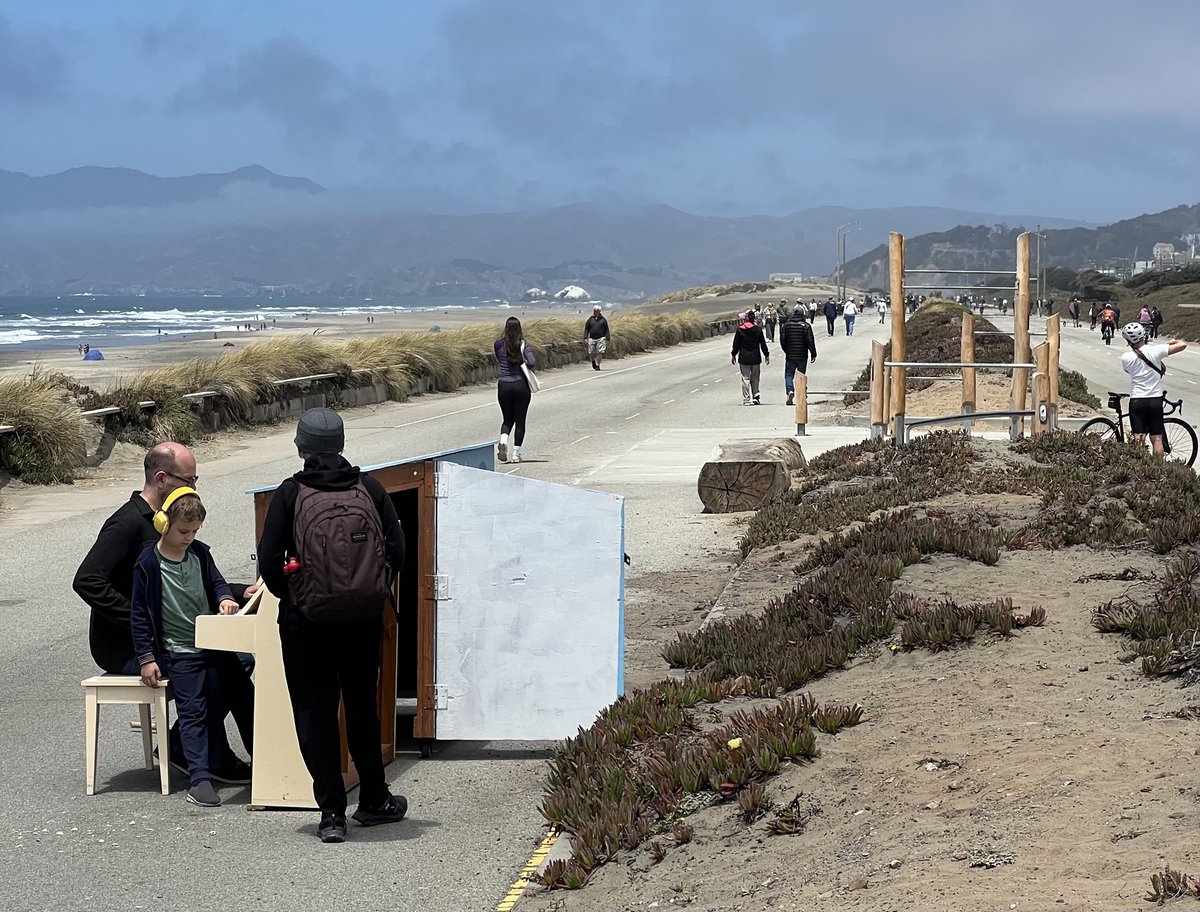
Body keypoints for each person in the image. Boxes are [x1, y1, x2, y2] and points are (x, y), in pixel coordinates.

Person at [257, 408, 408, 843]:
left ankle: (331, 815)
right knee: (361, 706)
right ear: (341, 445)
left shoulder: (289, 495)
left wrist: (298, 597)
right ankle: (375, 799)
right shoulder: (371, 489)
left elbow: (269, 563)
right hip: (362, 619)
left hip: (306, 622)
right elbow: (396, 549)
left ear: (301, 448)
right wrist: (371, 590)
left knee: (315, 712)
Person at [73, 442, 254, 782]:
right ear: (161, 478)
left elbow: (185, 580)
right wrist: (142, 621)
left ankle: (192, 746)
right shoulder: (126, 524)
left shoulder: (173, 521)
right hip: (125, 646)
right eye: (189, 479)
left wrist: (237, 591)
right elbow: (87, 581)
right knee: (218, 666)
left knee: (236, 660)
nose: (194, 487)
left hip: (164, 638)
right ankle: (195, 751)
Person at [131, 488, 249, 808]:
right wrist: (146, 659)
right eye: (184, 531)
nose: (188, 537)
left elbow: (216, 582)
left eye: (194, 531)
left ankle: (264, 758)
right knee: (192, 711)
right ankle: (200, 778)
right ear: (162, 523)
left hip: (213, 644)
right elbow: (139, 616)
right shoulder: (148, 563)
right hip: (179, 652)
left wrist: (225, 598)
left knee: (244, 691)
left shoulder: (200, 553)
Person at [1119, 323, 1187, 456]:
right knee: (1156, 438)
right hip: (1155, 399)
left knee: (1138, 438)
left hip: (1137, 400)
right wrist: (1175, 341)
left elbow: (1128, 371)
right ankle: (1158, 468)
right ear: (1143, 335)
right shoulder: (1155, 351)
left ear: (1127, 340)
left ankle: (1139, 468)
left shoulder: (1126, 357)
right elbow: (1183, 345)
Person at [493, 316, 536, 463]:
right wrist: (522, 360)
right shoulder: (523, 344)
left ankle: (503, 441)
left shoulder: (498, 344)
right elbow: (532, 362)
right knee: (520, 420)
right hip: (520, 385)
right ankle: (516, 454)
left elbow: (500, 360)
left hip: (504, 384)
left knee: (507, 419)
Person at [779, 306, 817, 406]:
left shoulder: (787, 326)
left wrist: (786, 350)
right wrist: (813, 353)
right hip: (802, 355)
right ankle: (801, 396)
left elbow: (782, 339)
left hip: (790, 355)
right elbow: (810, 341)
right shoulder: (806, 326)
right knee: (801, 375)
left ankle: (790, 390)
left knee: (789, 374)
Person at [731, 310, 770, 405]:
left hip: (744, 358)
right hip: (755, 357)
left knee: (745, 378)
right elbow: (762, 343)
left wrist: (733, 354)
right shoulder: (758, 329)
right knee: (755, 378)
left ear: (745, 319)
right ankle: (756, 395)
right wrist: (766, 354)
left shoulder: (740, 330)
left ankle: (746, 399)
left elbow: (736, 344)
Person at [583, 305, 610, 370]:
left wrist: (608, 339)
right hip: (592, 338)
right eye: (594, 311)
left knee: (600, 351)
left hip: (601, 338)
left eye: (597, 311)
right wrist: (585, 338)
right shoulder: (590, 319)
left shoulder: (603, 320)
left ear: (599, 311)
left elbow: (607, 330)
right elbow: (586, 329)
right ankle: (593, 361)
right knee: (592, 352)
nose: (595, 312)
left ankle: (597, 365)